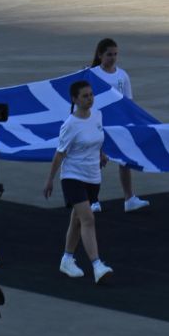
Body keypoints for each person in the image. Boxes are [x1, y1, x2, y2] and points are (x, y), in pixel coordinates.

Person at [42, 79, 113, 281]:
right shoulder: (70, 125)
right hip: (73, 176)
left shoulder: (98, 115)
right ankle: (97, 265)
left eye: (91, 94)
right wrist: (50, 180)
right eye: (85, 96)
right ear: (74, 99)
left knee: (77, 220)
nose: (90, 99)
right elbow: (60, 154)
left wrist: (101, 154)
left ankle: (67, 259)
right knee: (88, 219)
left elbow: (97, 138)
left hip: (93, 176)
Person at [90, 37, 148, 213]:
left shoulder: (123, 75)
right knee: (96, 161)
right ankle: (93, 200)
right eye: (109, 54)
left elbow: (128, 102)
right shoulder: (92, 74)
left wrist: (132, 123)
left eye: (115, 54)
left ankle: (129, 198)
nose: (113, 58)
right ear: (100, 55)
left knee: (125, 160)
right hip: (98, 123)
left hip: (119, 124)